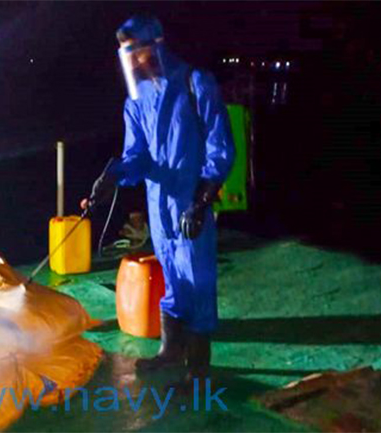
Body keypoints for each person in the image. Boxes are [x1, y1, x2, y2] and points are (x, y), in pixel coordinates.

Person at [82, 15, 235, 381]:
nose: (133, 61)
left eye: (137, 51)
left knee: (197, 278)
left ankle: (197, 370)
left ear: (156, 45)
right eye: (126, 55)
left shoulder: (195, 83)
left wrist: (202, 198)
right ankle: (170, 350)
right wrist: (113, 176)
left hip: (189, 198)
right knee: (170, 271)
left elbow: (220, 146)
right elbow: (137, 155)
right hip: (159, 201)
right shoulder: (136, 102)